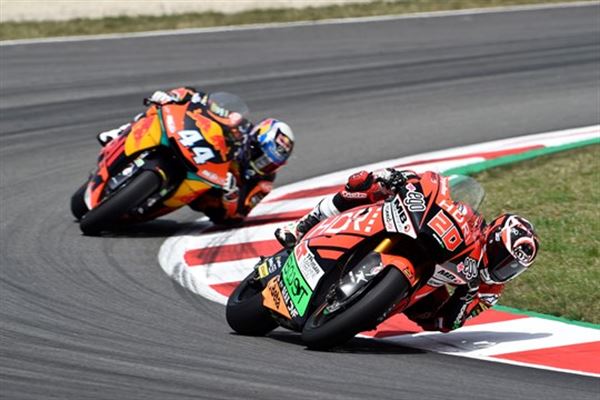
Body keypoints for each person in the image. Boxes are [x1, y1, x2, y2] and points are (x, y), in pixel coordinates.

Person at [274, 168, 539, 332]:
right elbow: (440, 193)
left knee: (432, 318)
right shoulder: (473, 225)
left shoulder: (490, 290)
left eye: (512, 268)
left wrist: (465, 296)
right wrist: (406, 181)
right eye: (503, 259)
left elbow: (450, 323)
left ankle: (367, 306)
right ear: (492, 239)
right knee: (366, 183)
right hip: (420, 237)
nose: (503, 269)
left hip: (421, 290)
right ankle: (303, 225)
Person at [97, 87, 295, 225]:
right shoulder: (239, 126)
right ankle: (122, 131)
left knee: (210, 204)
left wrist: (231, 195)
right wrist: (176, 96)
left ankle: (149, 203)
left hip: (204, 191)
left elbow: (239, 215)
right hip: (195, 151)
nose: (261, 164)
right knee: (160, 108)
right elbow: (204, 102)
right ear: (254, 140)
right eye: (260, 156)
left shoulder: (263, 183)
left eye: (269, 164)